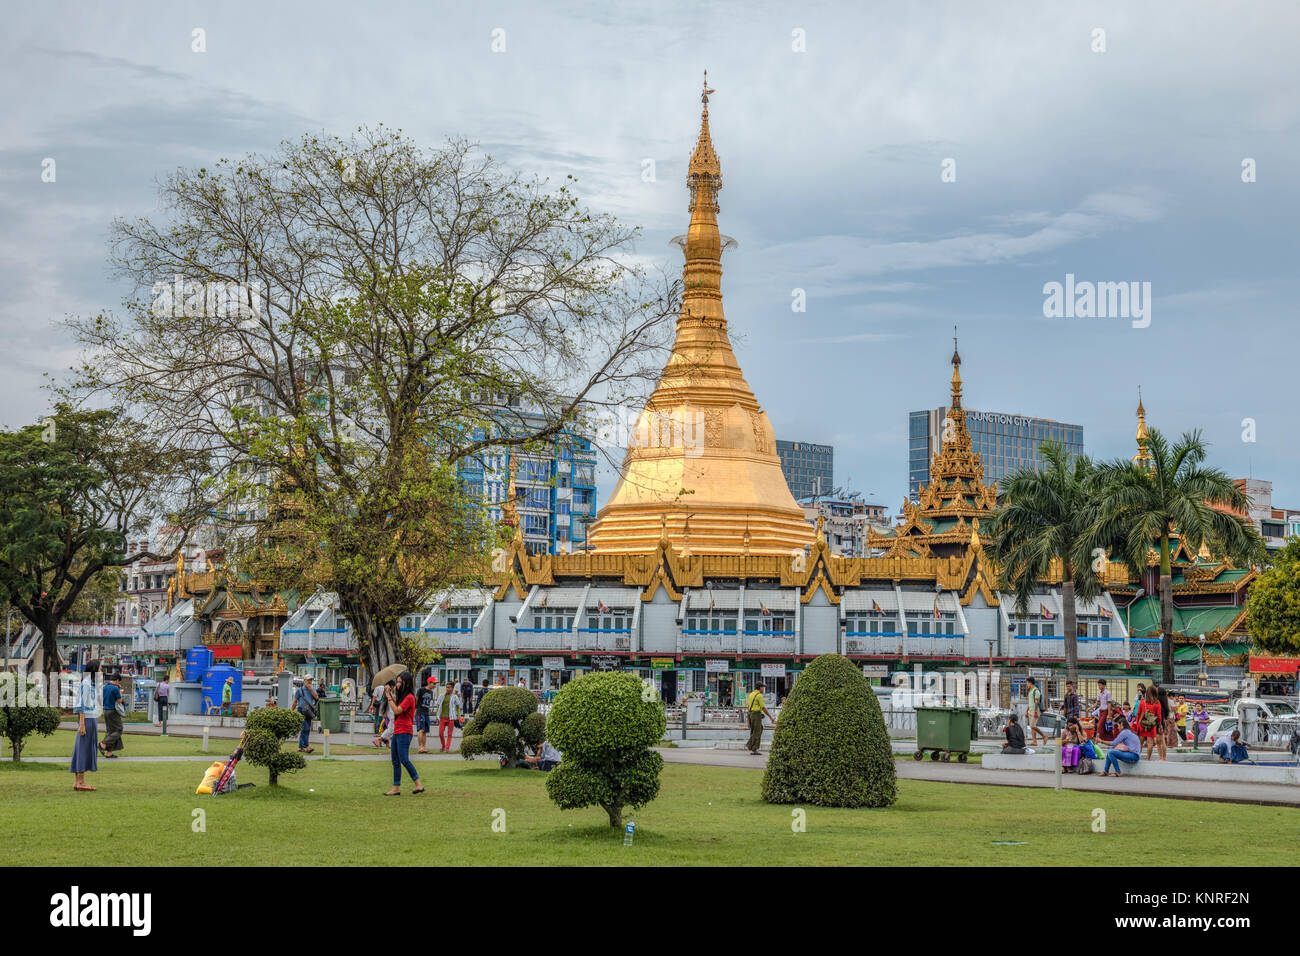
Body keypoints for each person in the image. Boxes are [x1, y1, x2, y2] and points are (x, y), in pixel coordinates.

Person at [384, 671, 423, 795]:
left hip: (404, 732)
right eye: (397, 682)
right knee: (395, 761)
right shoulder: (403, 697)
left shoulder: (410, 697)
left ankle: (418, 785)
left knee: (404, 760)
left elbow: (397, 710)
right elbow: (397, 704)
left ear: (407, 683)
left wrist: (389, 696)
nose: (398, 684)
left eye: (400, 682)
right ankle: (396, 788)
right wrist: (389, 694)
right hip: (397, 731)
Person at [71, 661, 100, 791]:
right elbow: (82, 704)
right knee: (84, 749)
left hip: (89, 718)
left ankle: (78, 781)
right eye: (100, 669)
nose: (101, 672)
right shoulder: (87, 684)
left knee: (82, 748)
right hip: (88, 719)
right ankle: (81, 781)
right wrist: (82, 724)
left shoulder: (89, 683)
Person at [432, 676, 463, 753]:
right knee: (440, 733)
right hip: (442, 717)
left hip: (451, 717)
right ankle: (443, 746)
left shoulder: (455, 697)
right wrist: (437, 716)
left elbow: (458, 707)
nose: (447, 689)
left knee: (449, 734)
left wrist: (459, 716)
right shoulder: (441, 696)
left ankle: (447, 748)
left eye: (449, 687)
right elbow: (438, 706)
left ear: (452, 688)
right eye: (446, 687)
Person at [742, 683, 774, 755]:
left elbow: (748, 706)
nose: (763, 689)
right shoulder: (759, 696)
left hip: (751, 714)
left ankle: (752, 747)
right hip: (756, 714)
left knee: (755, 730)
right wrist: (770, 717)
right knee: (757, 731)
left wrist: (749, 718)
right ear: (760, 688)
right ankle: (752, 748)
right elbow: (763, 708)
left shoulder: (751, 694)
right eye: (763, 687)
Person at [99, 673, 125, 759]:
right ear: (117, 680)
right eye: (119, 681)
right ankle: (103, 743)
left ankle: (109, 753)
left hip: (106, 710)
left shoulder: (104, 687)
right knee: (119, 730)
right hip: (113, 711)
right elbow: (119, 700)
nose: (119, 683)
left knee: (111, 732)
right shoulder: (115, 688)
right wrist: (120, 692)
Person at [1134, 685, 1162, 760]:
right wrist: (1159, 725)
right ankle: (1148, 759)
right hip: (1151, 725)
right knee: (1150, 743)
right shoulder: (1157, 703)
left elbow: (1138, 713)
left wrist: (1137, 724)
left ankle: (1137, 757)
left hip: (1142, 723)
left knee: (1140, 742)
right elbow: (1159, 716)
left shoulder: (1142, 702)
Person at [295, 676, 319, 753]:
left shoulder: (312, 689)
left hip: (309, 711)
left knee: (306, 729)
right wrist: (291, 711)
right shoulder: (299, 690)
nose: (309, 681)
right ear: (304, 680)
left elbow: (316, 698)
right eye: (308, 680)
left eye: (311, 680)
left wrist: (311, 689)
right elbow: (295, 701)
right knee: (305, 728)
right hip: (301, 710)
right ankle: (307, 747)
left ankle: (300, 747)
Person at [416, 677, 436, 753]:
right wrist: (415, 709)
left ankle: (424, 747)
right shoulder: (421, 690)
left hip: (426, 713)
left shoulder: (431, 692)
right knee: (421, 730)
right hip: (420, 712)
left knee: (425, 731)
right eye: (433, 683)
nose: (434, 685)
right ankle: (420, 747)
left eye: (435, 684)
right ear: (429, 683)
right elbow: (416, 699)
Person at [1025, 677, 1045, 747]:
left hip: (1035, 710)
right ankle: (1034, 741)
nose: (1027, 684)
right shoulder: (1030, 691)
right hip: (1031, 710)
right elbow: (1030, 703)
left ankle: (1044, 736)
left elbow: (1036, 702)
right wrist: (1026, 711)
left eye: (1027, 683)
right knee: (1032, 727)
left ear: (1030, 683)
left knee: (1032, 726)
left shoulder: (1036, 691)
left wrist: (1036, 711)